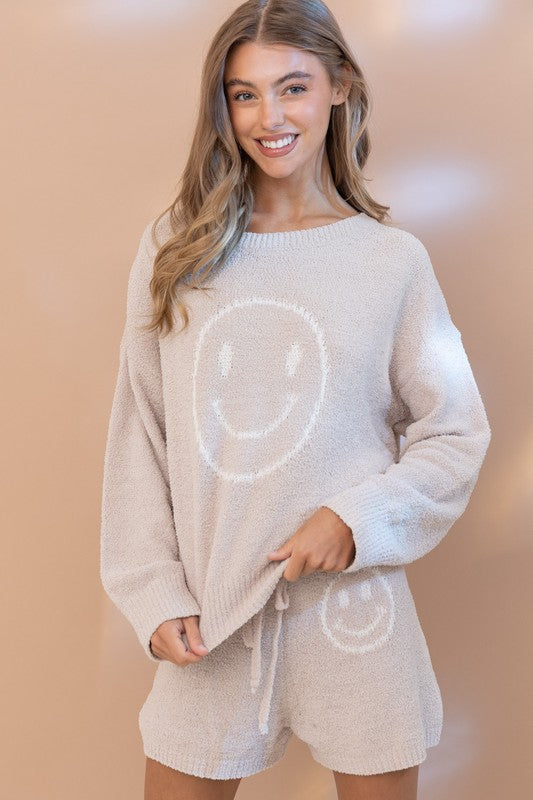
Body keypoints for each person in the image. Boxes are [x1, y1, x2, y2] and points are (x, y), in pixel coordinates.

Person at [99, 1, 492, 798]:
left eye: (292, 87)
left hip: (354, 617)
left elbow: (454, 432)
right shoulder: (176, 248)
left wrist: (355, 520)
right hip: (211, 618)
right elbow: (142, 429)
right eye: (244, 94)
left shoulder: (390, 261)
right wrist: (152, 591)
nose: (268, 117)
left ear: (340, 86)